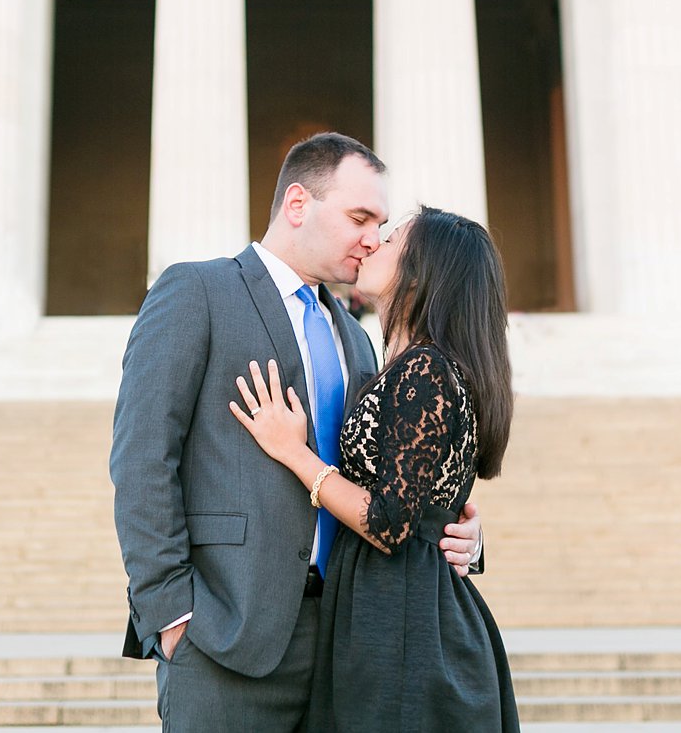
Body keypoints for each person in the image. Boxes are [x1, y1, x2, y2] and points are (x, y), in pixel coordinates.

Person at [110, 132, 486, 732]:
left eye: (382, 224)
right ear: (297, 205)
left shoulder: (359, 337)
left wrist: (458, 530)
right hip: (225, 638)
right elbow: (141, 459)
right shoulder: (197, 292)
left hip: (349, 642)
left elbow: (395, 478)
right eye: (360, 217)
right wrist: (171, 614)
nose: (372, 238)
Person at [232, 205, 520, 731]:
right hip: (393, 603)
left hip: (401, 619)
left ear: (421, 270)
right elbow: (424, 503)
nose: (371, 245)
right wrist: (464, 536)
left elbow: (388, 523)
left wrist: (294, 452)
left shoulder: (426, 368)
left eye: (388, 241)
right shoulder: (403, 361)